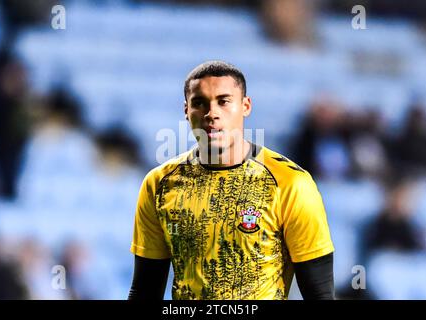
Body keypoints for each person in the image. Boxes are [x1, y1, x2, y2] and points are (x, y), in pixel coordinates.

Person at [128, 61, 335, 300]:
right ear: (186, 110)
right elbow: (145, 290)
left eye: (224, 101)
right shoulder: (159, 184)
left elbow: (319, 293)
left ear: (245, 106)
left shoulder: (291, 183)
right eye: (199, 103)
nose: (211, 113)